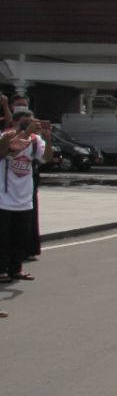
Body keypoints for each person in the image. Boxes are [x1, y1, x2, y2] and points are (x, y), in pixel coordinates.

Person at [0, 110, 47, 283]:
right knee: (3, 238)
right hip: (4, 198)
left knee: (20, 238)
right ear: (15, 122)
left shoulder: (36, 141)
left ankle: (16, 269)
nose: (29, 125)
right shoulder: (5, 136)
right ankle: (1, 269)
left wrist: (47, 137)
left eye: (31, 122)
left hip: (24, 199)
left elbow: (46, 158)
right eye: (24, 122)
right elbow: (10, 150)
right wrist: (26, 132)